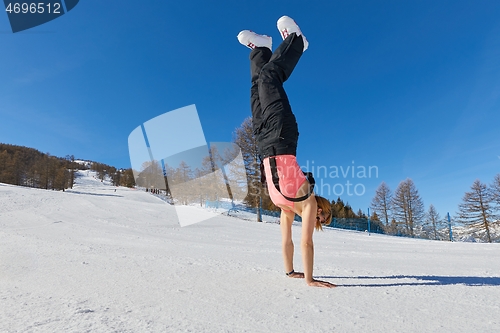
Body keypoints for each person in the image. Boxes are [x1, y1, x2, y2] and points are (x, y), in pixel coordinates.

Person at [237, 16, 336, 288]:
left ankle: (261, 49)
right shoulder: (308, 200)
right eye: (323, 214)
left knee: (257, 90)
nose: (319, 217)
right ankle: (296, 43)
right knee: (270, 79)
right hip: (282, 135)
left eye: (321, 220)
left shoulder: (285, 208)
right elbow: (307, 243)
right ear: (322, 206)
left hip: (262, 144)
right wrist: (310, 279)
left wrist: (290, 272)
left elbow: (288, 241)